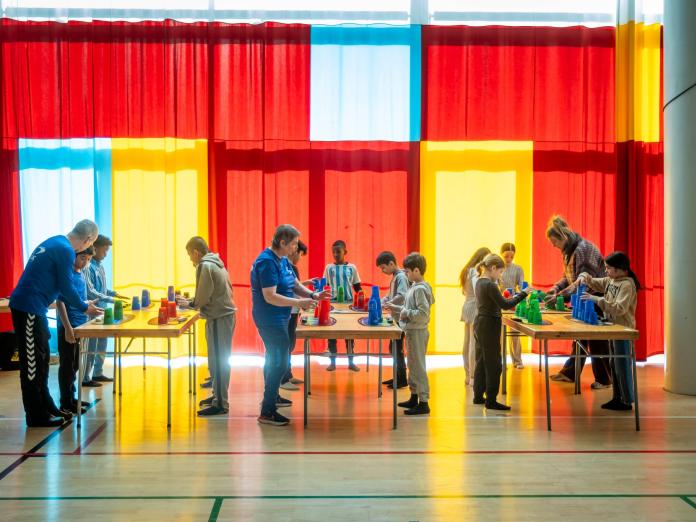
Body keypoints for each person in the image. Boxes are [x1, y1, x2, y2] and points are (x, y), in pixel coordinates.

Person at [9, 219, 102, 427]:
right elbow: (66, 287)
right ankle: (35, 415)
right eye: (91, 243)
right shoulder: (65, 250)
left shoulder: (56, 242)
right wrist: (84, 306)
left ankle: (47, 405)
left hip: (35, 308)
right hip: (28, 308)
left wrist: (82, 302)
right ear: (88, 240)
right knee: (32, 365)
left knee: (42, 361)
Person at [251, 225, 327, 426]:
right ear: (282, 242)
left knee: (275, 359)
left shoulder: (283, 260)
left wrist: (312, 295)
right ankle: (267, 411)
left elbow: (294, 284)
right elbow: (270, 296)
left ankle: (272, 397)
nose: (296, 248)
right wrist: (298, 303)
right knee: (279, 361)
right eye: (293, 243)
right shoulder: (266, 262)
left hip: (281, 317)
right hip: (270, 319)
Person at [545, 216, 612, 388]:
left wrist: (560, 295)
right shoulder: (568, 251)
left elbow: (581, 281)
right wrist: (555, 288)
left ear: (563, 237)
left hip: (595, 298)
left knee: (598, 340)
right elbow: (567, 277)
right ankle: (570, 373)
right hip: (582, 298)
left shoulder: (583, 249)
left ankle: (605, 379)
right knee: (579, 337)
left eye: (554, 242)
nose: (553, 246)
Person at [177, 237, 236, 416]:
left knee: (219, 362)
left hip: (220, 317)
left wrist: (188, 304)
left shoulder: (205, 265)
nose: (190, 260)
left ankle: (221, 403)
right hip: (222, 315)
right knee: (216, 360)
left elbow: (202, 297)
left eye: (189, 255)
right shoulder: (216, 262)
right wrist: (191, 302)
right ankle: (217, 395)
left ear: (196, 252)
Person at [576, 252, 639, 411]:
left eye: (609, 268)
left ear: (620, 270)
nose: (606, 271)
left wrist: (595, 299)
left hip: (623, 330)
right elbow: (595, 282)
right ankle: (617, 397)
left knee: (622, 364)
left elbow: (619, 308)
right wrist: (584, 276)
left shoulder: (627, 285)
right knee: (613, 363)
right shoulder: (612, 280)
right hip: (612, 328)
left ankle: (626, 400)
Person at [473, 254, 531, 410]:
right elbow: (505, 305)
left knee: (481, 361)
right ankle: (491, 400)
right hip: (489, 325)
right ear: (492, 268)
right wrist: (524, 293)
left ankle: (478, 395)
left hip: (479, 323)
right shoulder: (490, 285)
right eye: (499, 272)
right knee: (494, 364)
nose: (500, 276)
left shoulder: (479, 281)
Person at [387, 253, 434, 415]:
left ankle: (424, 401)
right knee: (412, 365)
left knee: (418, 366)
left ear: (416, 270)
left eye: (407, 272)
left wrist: (404, 311)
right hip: (411, 330)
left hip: (418, 332)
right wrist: (397, 309)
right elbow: (408, 310)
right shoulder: (414, 287)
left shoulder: (420, 289)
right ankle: (414, 395)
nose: (405, 275)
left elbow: (423, 314)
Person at [55, 247, 96, 415]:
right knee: (67, 365)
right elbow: (60, 302)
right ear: (74, 256)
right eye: (82, 258)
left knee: (76, 364)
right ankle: (65, 402)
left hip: (81, 326)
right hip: (69, 326)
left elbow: (78, 300)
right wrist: (67, 327)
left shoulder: (81, 274)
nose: (85, 262)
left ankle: (72, 398)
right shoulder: (67, 275)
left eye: (88, 259)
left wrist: (89, 303)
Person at [83, 235, 126, 387]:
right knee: (91, 345)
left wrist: (113, 294)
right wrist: (111, 300)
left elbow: (101, 289)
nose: (106, 254)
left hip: (103, 310)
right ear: (95, 248)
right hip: (92, 311)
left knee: (102, 341)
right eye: (105, 250)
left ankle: (98, 372)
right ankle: (85, 378)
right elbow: (90, 291)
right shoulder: (87, 266)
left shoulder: (100, 266)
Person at [323, 240, 362, 372]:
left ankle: (351, 362)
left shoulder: (352, 268)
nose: (335, 254)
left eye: (338, 251)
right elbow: (325, 285)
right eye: (333, 252)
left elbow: (357, 286)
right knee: (332, 333)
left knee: (349, 334)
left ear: (345, 252)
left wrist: (361, 296)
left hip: (348, 304)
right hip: (333, 304)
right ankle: (332, 362)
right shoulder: (329, 268)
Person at [376, 251, 410, 389]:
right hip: (396, 317)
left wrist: (388, 304)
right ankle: (397, 376)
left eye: (383, 267)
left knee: (398, 349)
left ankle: (402, 379)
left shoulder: (401, 277)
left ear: (391, 263)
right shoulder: (396, 276)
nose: (383, 271)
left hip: (400, 318)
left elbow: (401, 295)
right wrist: (382, 300)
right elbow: (391, 295)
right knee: (394, 348)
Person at [459, 247, 490, 386]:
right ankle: (472, 375)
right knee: (473, 342)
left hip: (466, 305)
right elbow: (478, 290)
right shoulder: (474, 271)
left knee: (467, 342)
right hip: (474, 306)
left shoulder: (466, 270)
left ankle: (467, 374)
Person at [280, 240, 308, 391]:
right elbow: (291, 289)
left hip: (294, 309)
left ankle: (288, 374)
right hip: (288, 310)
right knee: (286, 345)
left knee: (290, 344)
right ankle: (283, 379)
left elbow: (295, 286)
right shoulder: (285, 266)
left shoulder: (291, 268)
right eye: (300, 254)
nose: (299, 258)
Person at [499, 242, 525, 369]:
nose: (508, 259)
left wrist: (519, 296)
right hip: (499, 302)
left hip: (514, 302)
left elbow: (521, 287)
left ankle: (517, 360)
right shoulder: (497, 268)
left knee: (515, 333)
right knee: (499, 334)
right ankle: (500, 361)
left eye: (511, 256)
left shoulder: (518, 269)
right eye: (506, 256)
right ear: (501, 255)